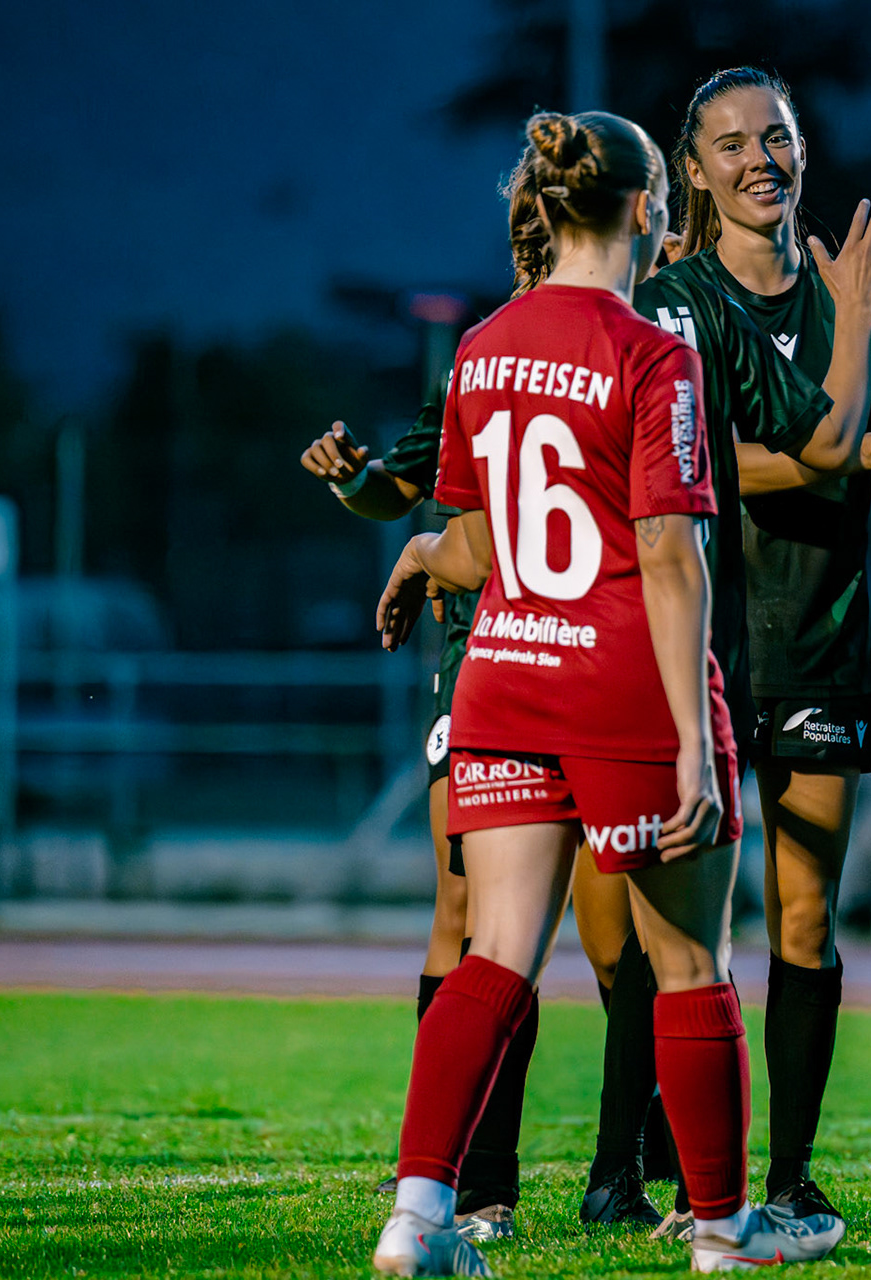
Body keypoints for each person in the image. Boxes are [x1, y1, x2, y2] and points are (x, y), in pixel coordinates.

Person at [368, 108, 843, 1276]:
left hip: (506, 678)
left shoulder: (479, 346)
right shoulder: (651, 351)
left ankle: (415, 1219)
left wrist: (427, 553)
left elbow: (480, 538)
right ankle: (726, 1232)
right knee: (692, 963)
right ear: (651, 208)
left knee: (495, 955)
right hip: (620, 682)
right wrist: (692, 739)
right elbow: (673, 556)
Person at [558, 75, 871, 1237]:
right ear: (698, 167)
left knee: (806, 915)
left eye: (777, 135)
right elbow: (700, 464)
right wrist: (845, 452)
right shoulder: (670, 300)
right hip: (701, 648)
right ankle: (624, 1166)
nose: (760, 156)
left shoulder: (848, 300)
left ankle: (790, 1174)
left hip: (821, 632)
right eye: (732, 143)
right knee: (661, 924)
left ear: (804, 149)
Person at [298, 411, 535, 1240]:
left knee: (637, 937)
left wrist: (422, 554)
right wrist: (355, 480)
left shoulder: (642, 346)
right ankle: (469, 1182)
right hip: (483, 654)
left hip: (600, 647)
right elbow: (393, 490)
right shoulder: (481, 360)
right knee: (470, 913)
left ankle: (641, 1173)